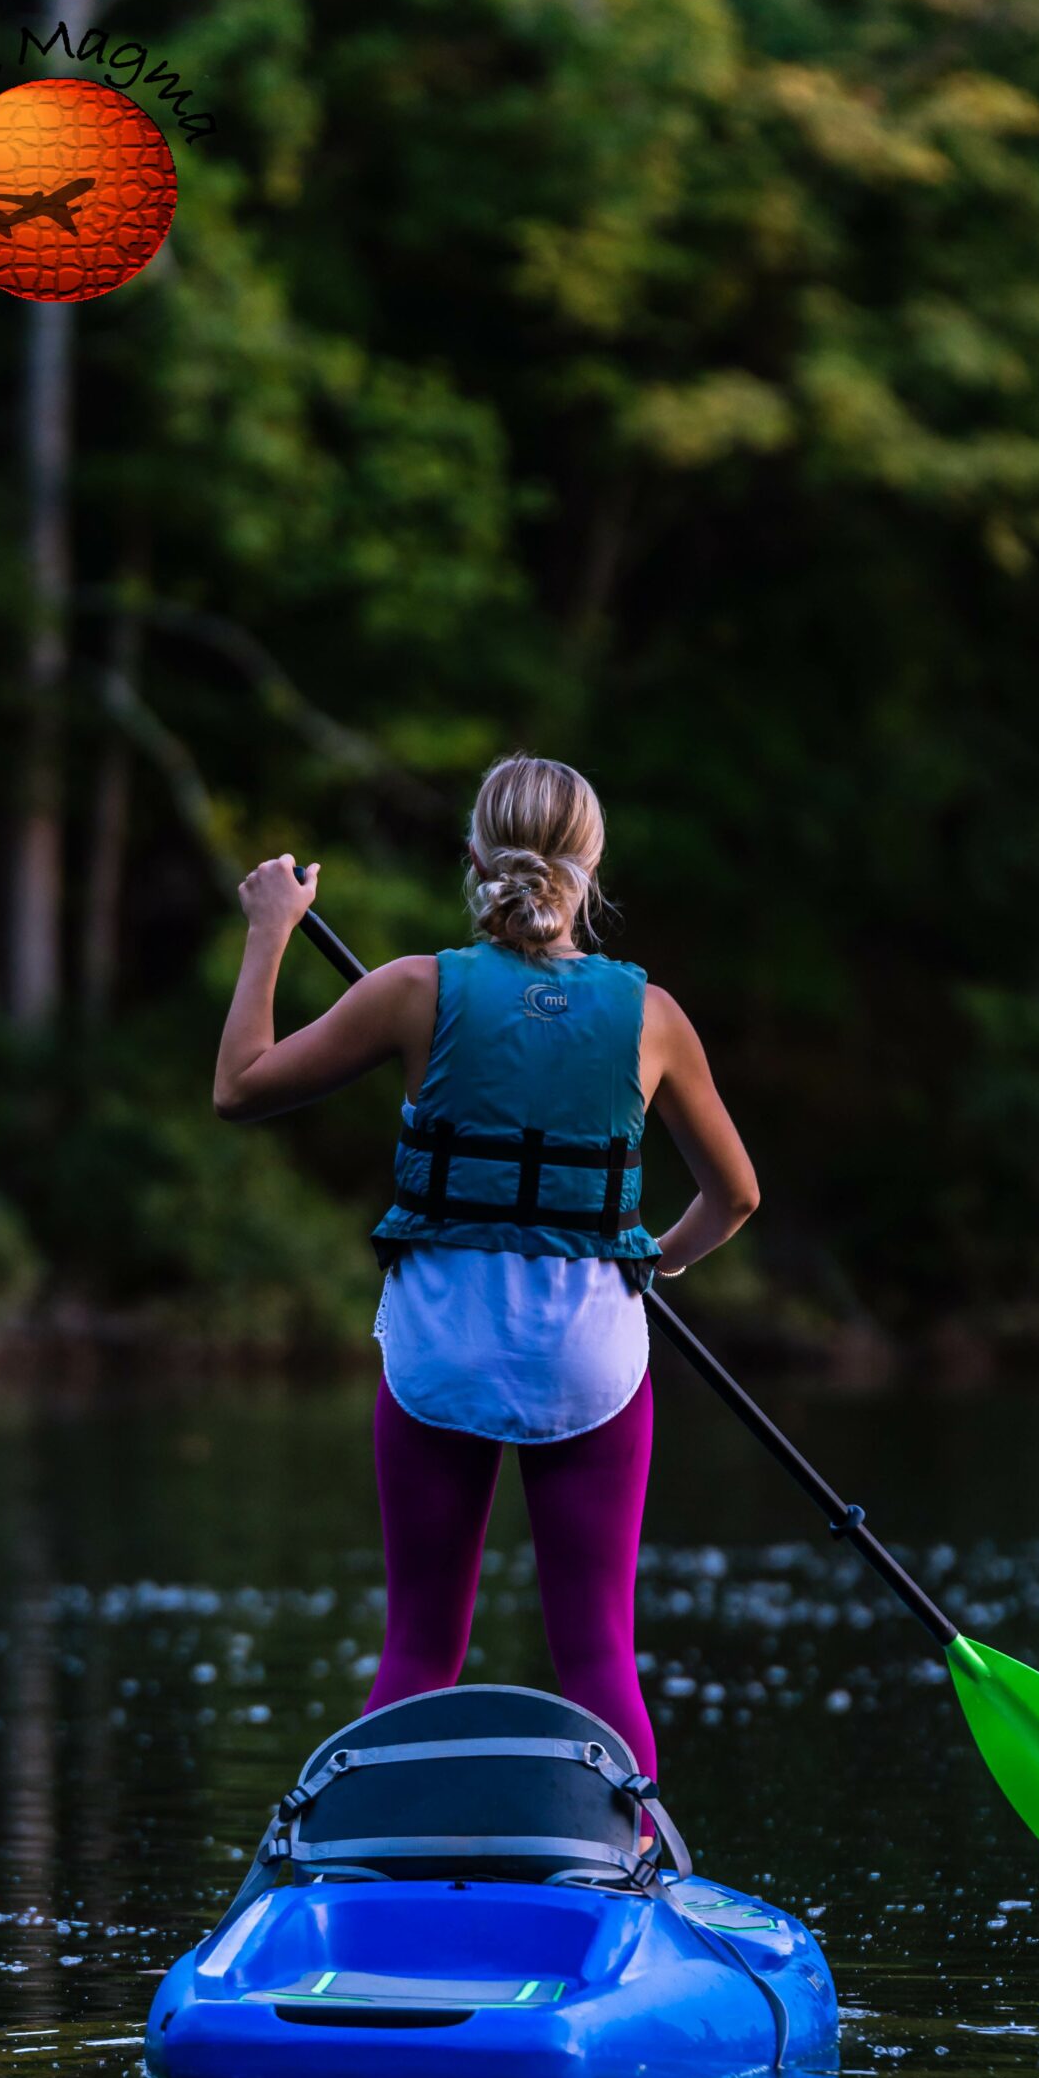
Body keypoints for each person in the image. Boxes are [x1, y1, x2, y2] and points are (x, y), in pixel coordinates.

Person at [211, 752, 759, 1784]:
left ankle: (373, 1855)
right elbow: (735, 1198)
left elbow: (239, 1087)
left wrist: (270, 930)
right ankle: (631, 1851)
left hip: (440, 1356)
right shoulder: (653, 1016)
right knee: (595, 1646)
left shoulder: (412, 990)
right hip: (591, 1361)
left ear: (474, 853)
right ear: (590, 868)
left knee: (421, 1645)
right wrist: (654, 1262)